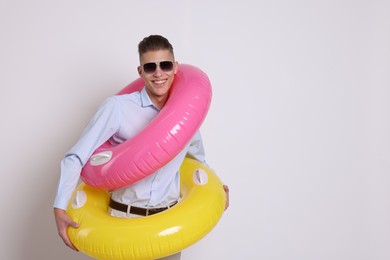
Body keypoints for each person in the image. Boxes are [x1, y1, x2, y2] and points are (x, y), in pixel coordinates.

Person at [53, 35, 229, 260]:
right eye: (150, 67)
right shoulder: (118, 108)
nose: (158, 73)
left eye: (165, 65)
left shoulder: (184, 115)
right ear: (140, 71)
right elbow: (76, 156)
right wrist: (59, 208)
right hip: (124, 224)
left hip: (167, 225)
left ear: (175, 67)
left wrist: (215, 187)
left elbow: (196, 159)